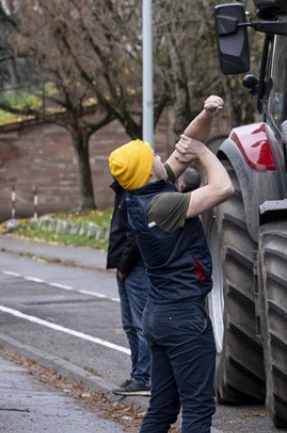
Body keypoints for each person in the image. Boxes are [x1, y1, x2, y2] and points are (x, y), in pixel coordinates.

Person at [109, 96, 232, 433]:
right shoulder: (162, 206)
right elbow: (223, 188)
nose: (163, 156)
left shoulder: (137, 195)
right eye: (156, 156)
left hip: (161, 315)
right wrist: (206, 153)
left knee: (162, 408)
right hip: (183, 319)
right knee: (198, 408)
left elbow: (183, 148)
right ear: (149, 169)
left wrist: (205, 116)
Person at [107, 177, 151, 397]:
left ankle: (144, 378)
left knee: (140, 324)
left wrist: (123, 265)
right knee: (130, 325)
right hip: (126, 267)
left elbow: (135, 235)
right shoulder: (123, 191)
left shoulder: (134, 193)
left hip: (135, 267)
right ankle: (138, 375)